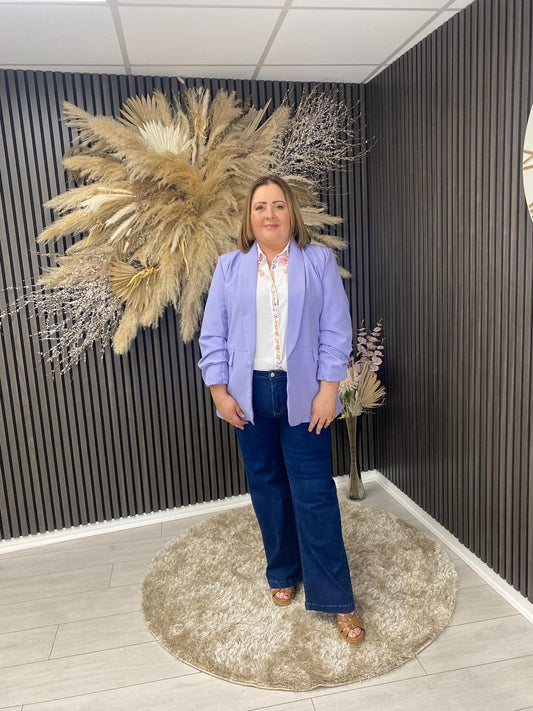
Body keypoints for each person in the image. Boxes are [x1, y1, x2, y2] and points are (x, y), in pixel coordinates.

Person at [198, 175, 364, 644]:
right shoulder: (229, 266)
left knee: (313, 492)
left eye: (277, 205)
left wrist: (329, 390)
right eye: (260, 207)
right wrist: (219, 393)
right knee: (267, 487)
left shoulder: (318, 261)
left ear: (291, 212)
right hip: (247, 392)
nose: (268, 214)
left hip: (305, 393)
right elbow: (213, 334)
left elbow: (336, 329)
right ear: (249, 218)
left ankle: (337, 598)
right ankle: (283, 570)